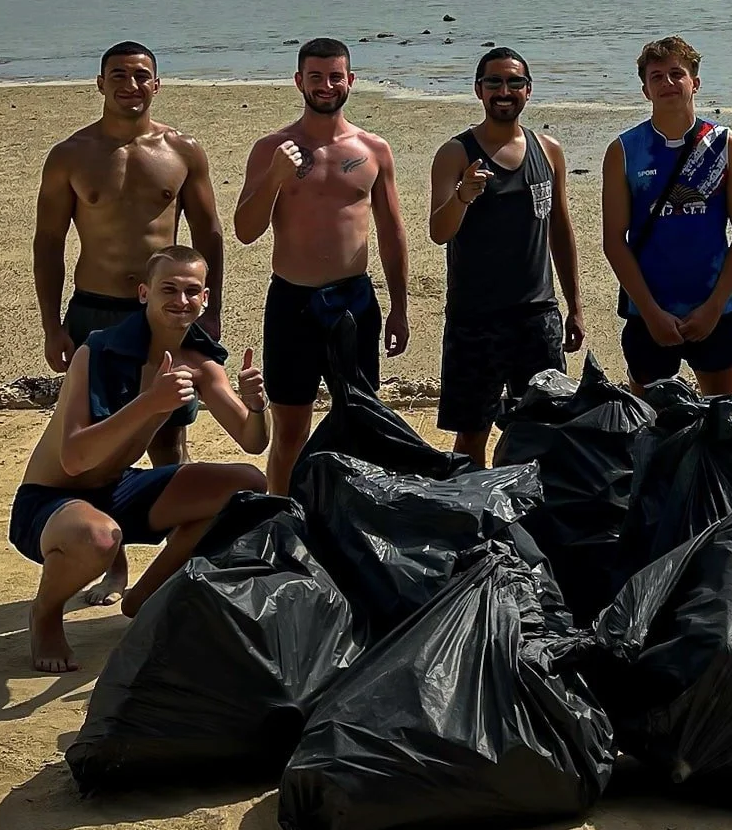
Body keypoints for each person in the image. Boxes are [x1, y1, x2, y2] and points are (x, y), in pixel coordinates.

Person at [9, 245, 267, 674]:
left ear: (206, 299)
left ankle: (144, 596)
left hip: (117, 489)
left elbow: (252, 442)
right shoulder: (97, 352)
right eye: (169, 289)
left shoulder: (201, 363)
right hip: (52, 501)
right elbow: (74, 458)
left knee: (247, 488)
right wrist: (149, 403)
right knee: (100, 538)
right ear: (144, 293)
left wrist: (257, 406)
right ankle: (46, 613)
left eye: (191, 291)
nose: (181, 301)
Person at [33, 41, 226, 469]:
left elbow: (208, 234)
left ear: (156, 85)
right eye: (118, 75)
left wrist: (210, 314)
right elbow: (48, 241)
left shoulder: (182, 150)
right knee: (93, 440)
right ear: (101, 84)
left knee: (167, 438)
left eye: (141, 75)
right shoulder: (70, 155)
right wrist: (51, 326)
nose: (131, 84)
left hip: (164, 312)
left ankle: (179, 534)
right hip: (94, 309)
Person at [235, 37, 411, 493]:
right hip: (292, 300)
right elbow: (245, 229)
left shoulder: (374, 150)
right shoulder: (272, 148)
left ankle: (351, 516)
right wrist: (275, 176)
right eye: (316, 77)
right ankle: (280, 518)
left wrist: (399, 308)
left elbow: (392, 234)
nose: (326, 85)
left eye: (335, 76)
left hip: (354, 300)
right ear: (299, 81)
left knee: (359, 420)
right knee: (290, 428)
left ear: (351, 80)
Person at [429, 47, 586, 463]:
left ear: (528, 91)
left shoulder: (547, 150)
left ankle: (534, 519)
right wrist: (462, 196)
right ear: (478, 90)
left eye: (514, 82)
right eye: (494, 82)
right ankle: (475, 520)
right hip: (475, 321)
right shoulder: (455, 153)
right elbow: (439, 231)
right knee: (471, 438)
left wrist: (575, 306)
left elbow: (560, 229)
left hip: (537, 316)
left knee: (545, 430)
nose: (504, 90)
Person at [603, 36, 732, 397]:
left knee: (720, 423)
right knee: (647, 426)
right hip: (649, 313)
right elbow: (614, 240)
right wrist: (651, 312)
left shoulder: (726, 144)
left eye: (677, 74)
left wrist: (714, 306)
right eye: (657, 77)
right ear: (645, 90)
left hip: (713, 309)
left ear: (695, 83)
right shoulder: (624, 150)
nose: (668, 84)